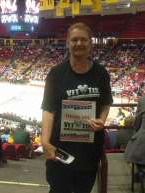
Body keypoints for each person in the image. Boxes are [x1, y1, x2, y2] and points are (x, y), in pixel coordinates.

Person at [41, 22, 113, 193]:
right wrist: (45, 141)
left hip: (89, 149)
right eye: (74, 40)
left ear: (90, 43)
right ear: (67, 43)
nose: (79, 43)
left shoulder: (101, 73)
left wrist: (101, 120)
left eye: (83, 40)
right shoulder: (56, 74)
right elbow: (48, 109)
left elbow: (105, 103)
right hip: (61, 148)